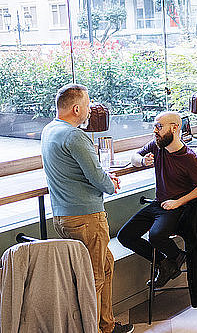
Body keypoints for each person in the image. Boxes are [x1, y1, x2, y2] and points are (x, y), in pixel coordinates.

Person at [41, 84, 134, 333]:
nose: (91, 110)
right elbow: (96, 175)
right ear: (76, 108)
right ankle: (91, 329)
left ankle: (107, 325)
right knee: (93, 278)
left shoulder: (49, 130)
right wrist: (110, 183)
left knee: (105, 265)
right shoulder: (74, 135)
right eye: (89, 104)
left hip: (63, 215)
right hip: (86, 216)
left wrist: (103, 179)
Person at [117, 111, 197, 288]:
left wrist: (178, 202)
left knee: (155, 236)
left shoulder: (189, 158)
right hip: (159, 203)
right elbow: (134, 156)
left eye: (159, 126)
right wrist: (142, 161)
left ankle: (175, 259)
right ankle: (167, 262)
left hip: (177, 207)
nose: (155, 131)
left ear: (175, 128)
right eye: (154, 126)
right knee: (125, 236)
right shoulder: (157, 146)